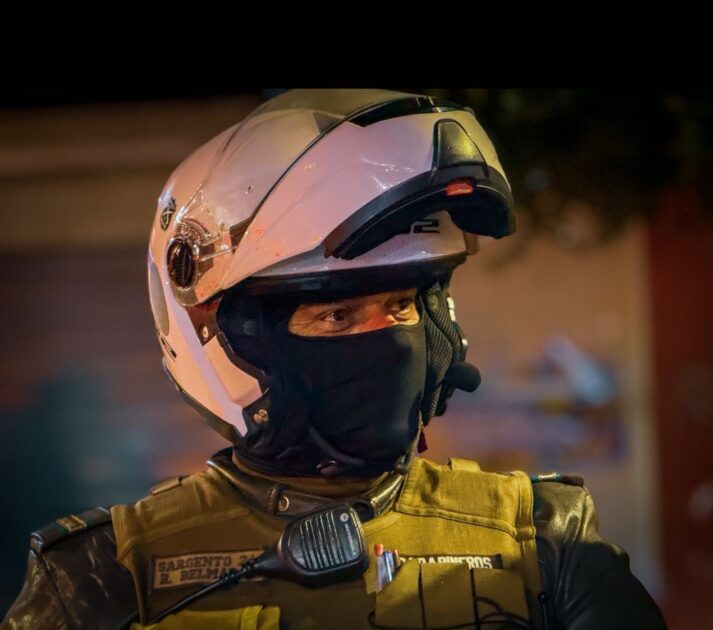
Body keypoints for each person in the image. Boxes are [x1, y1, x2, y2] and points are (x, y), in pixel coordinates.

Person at [1, 89, 667, 629]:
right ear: (229, 338)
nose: (388, 340)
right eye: (338, 315)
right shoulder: (104, 576)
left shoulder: (544, 541)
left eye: (402, 306)